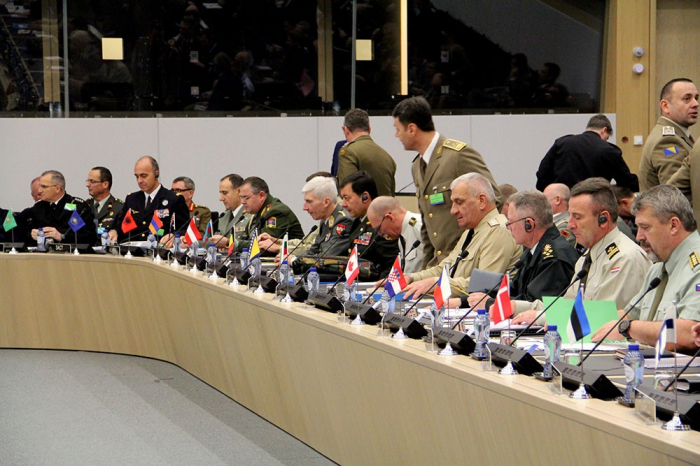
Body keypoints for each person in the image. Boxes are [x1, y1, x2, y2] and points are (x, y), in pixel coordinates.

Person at [514, 178, 650, 325]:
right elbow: (567, 306)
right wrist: (520, 308)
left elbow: (602, 319)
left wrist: (543, 318)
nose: (570, 225)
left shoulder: (625, 258)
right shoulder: (586, 258)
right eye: (570, 215)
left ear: (603, 219)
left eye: (577, 217)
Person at [392, 96, 501, 269]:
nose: (396, 135)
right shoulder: (417, 166)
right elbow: (427, 226)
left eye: (398, 129)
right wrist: (426, 268)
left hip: (467, 262)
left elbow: (494, 200)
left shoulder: (458, 155)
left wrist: (480, 250)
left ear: (411, 129)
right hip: (440, 266)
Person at [592, 185, 700, 352]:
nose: (638, 236)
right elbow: (628, 314)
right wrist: (571, 322)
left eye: (646, 227)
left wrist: (629, 327)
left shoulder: (696, 267)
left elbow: (688, 334)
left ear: (673, 225)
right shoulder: (658, 268)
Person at [453, 190, 578, 313]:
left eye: (510, 222)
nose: (508, 228)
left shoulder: (554, 258)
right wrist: (465, 300)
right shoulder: (534, 249)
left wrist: (489, 303)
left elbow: (534, 303)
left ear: (529, 224)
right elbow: (512, 290)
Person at [402, 173, 521, 299]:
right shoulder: (472, 231)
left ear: (481, 201)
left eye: (459, 202)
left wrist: (437, 283)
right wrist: (411, 278)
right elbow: (444, 269)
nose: (453, 210)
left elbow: (484, 285)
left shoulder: (498, 231)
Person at [536, 114, 638, 191]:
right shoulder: (609, 150)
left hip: (563, 200)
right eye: (606, 138)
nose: (605, 141)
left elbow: (543, 173)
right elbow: (626, 181)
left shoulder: (562, 143)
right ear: (604, 130)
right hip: (593, 204)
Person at [109, 156, 189, 243]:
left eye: (144, 176)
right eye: (137, 176)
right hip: (132, 252)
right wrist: (115, 232)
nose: (140, 181)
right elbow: (120, 225)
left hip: (159, 252)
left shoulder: (173, 199)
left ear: (156, 174)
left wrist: (173, 236)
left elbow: (184, 229)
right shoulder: (132, 199)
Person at [639, 78, 698, 191]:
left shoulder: (676, 135)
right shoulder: (668, 141)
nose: (695, 104)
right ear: (665, 106)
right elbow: (676, 195)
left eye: (696, 98)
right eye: (687, 99)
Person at [339, 171, 400, 278]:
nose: (343, 204)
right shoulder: (357, 222)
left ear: (365, 197)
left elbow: (391, 265)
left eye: (347, 198)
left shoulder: (382, 224)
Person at [287, 176, 352, 267]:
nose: (304, 207)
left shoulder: (343, 221)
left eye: (309, 201)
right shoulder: (326, 220)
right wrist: (292, 257)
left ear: (326, 202)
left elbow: (327, 257)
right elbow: (313, 250)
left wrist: (295, 260)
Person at [336, 108, 397, 197]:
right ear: (369, 129)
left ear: (346, 130)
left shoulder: (348, 152)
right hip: (385, 209)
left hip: (363, 210)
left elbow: (347, 194)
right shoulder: (387, 157)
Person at [235, 176, 304, 253]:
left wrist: (234, 244)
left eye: (246, 198)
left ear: (261, 196)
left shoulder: (276, 212)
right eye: (241, 198)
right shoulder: (258, 212)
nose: (242, 202)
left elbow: (265, 247)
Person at [27, 170, 96, 245]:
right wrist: (31, 235)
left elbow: (89, 238)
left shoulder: (76, 207)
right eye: (40, 186)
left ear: (57, 188)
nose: (40, 190)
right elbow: (19, 231)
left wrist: (61, 236)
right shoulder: (39, 207)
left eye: (44, 187)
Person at [367, 196, 424, 274]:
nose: (380, 234)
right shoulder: (401, 235)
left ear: (389, 218)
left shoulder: (420, 227)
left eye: (378, 229)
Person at [211, 174, 249, 250]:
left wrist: (228, 242)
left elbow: (255, 245)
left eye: (225, 193)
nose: (221, 198)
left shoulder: (250, 215)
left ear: (239, 191)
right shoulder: (223, 216)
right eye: (220, 193)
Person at [85, 166, 124, 236]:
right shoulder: (85, 207)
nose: (87, 185)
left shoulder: (119, 208)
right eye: (87, 181)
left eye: (92, 181)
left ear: (105, 184)